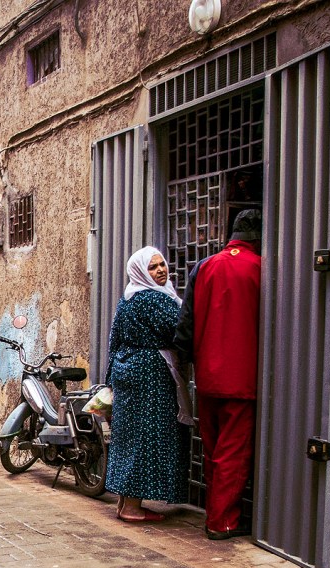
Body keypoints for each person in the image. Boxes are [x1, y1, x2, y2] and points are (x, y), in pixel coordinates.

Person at [175, 209, 262, 540]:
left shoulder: (204, 266)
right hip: (243, 377)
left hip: (207, 377)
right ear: (258, 238)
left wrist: (186, 362)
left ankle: (214, 513)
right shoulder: (262, 269)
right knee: (233, 453)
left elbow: (186, 323)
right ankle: (222, 521)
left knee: (212, 452)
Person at [105, 246, 190, 522]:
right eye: (153, 267)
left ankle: (124, 502)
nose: (161, 270)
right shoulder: (155, 300)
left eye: (162, 265)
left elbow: (113, 339)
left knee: (129, 436)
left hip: (126, 370)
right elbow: (180, 330)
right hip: (150, 375)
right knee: (147, 436)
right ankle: (132, 508)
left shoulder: (128, 298)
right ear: (142, 271)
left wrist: (111, 378)